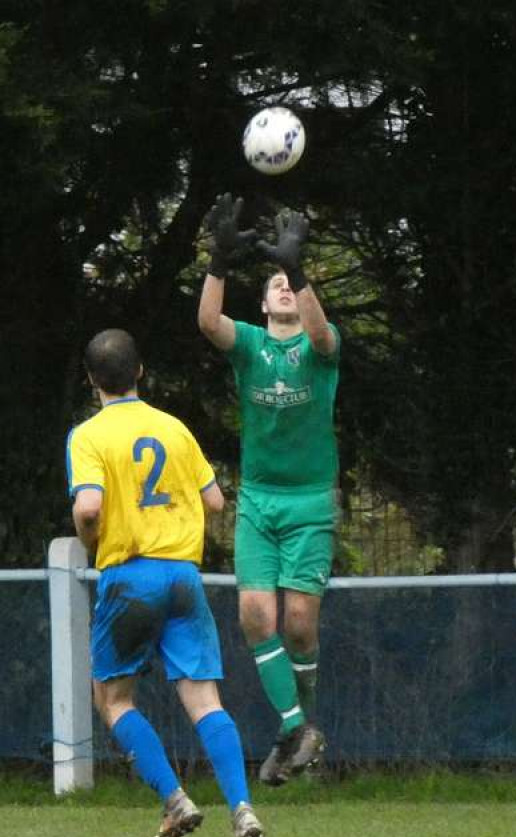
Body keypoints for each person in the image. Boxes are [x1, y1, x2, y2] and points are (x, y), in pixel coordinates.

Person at [66, 329, 264, 837]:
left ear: (91, 381)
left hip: (129, 575)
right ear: (140, 373)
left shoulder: (88, 436)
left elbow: (88, 506)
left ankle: (176, 799)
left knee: (112, 699)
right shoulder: (174, 428)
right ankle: (242, 808)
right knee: (204, 701)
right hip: (182, 575)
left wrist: (92, 537)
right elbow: (216, 501)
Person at [198, 194, 340, 785]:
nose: (284, 286)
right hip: (258, 499)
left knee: (300, 623)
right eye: (276, 282)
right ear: (260, 303)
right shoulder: (251, 346)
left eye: (290, 281)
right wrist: (218, 262)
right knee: (257, 615)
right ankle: (296, 730)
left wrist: (300, 268)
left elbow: (325, 336)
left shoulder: (318, 346)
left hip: (309, 501)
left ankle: (299, 728)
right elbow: (208, 323)